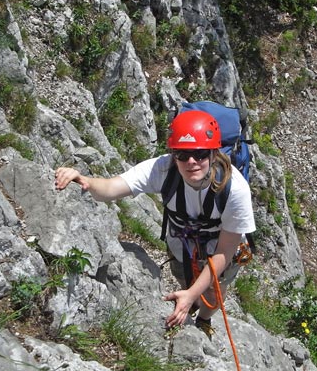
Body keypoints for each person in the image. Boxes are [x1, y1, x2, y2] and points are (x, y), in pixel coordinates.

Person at [54, 109, 256, 338]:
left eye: (199, 154)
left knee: (212, 294)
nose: (191, 162)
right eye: (182, 154)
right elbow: (111, 189)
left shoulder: (234, 189)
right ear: (173, 154)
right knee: (186, 280)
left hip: (219, 246)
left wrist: (192, 293)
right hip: (182, 242)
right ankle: (191, 302)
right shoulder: (163, 169)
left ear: (213, 152)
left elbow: (224, 252)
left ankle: (204, 320)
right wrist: (84, 180)